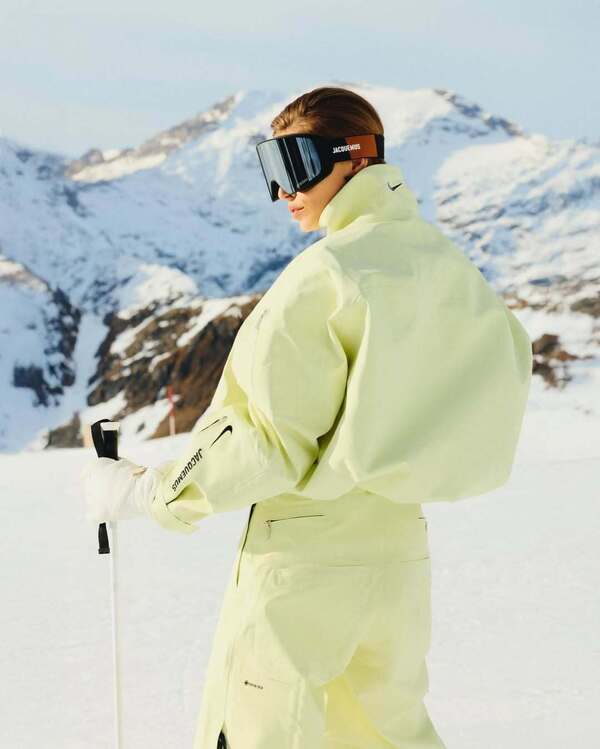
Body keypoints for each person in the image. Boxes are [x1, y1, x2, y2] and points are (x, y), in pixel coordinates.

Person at [81, 86, 533, 749]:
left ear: (355, 156)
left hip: (304, 563)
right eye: (271, 168)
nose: (282, 191)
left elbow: (266, 440)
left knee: (263, 732)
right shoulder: (450, 268)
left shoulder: (326, 274)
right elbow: (499, 383)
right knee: (386, 735)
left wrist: (149, 493)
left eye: (295, 164)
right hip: (399, 556)